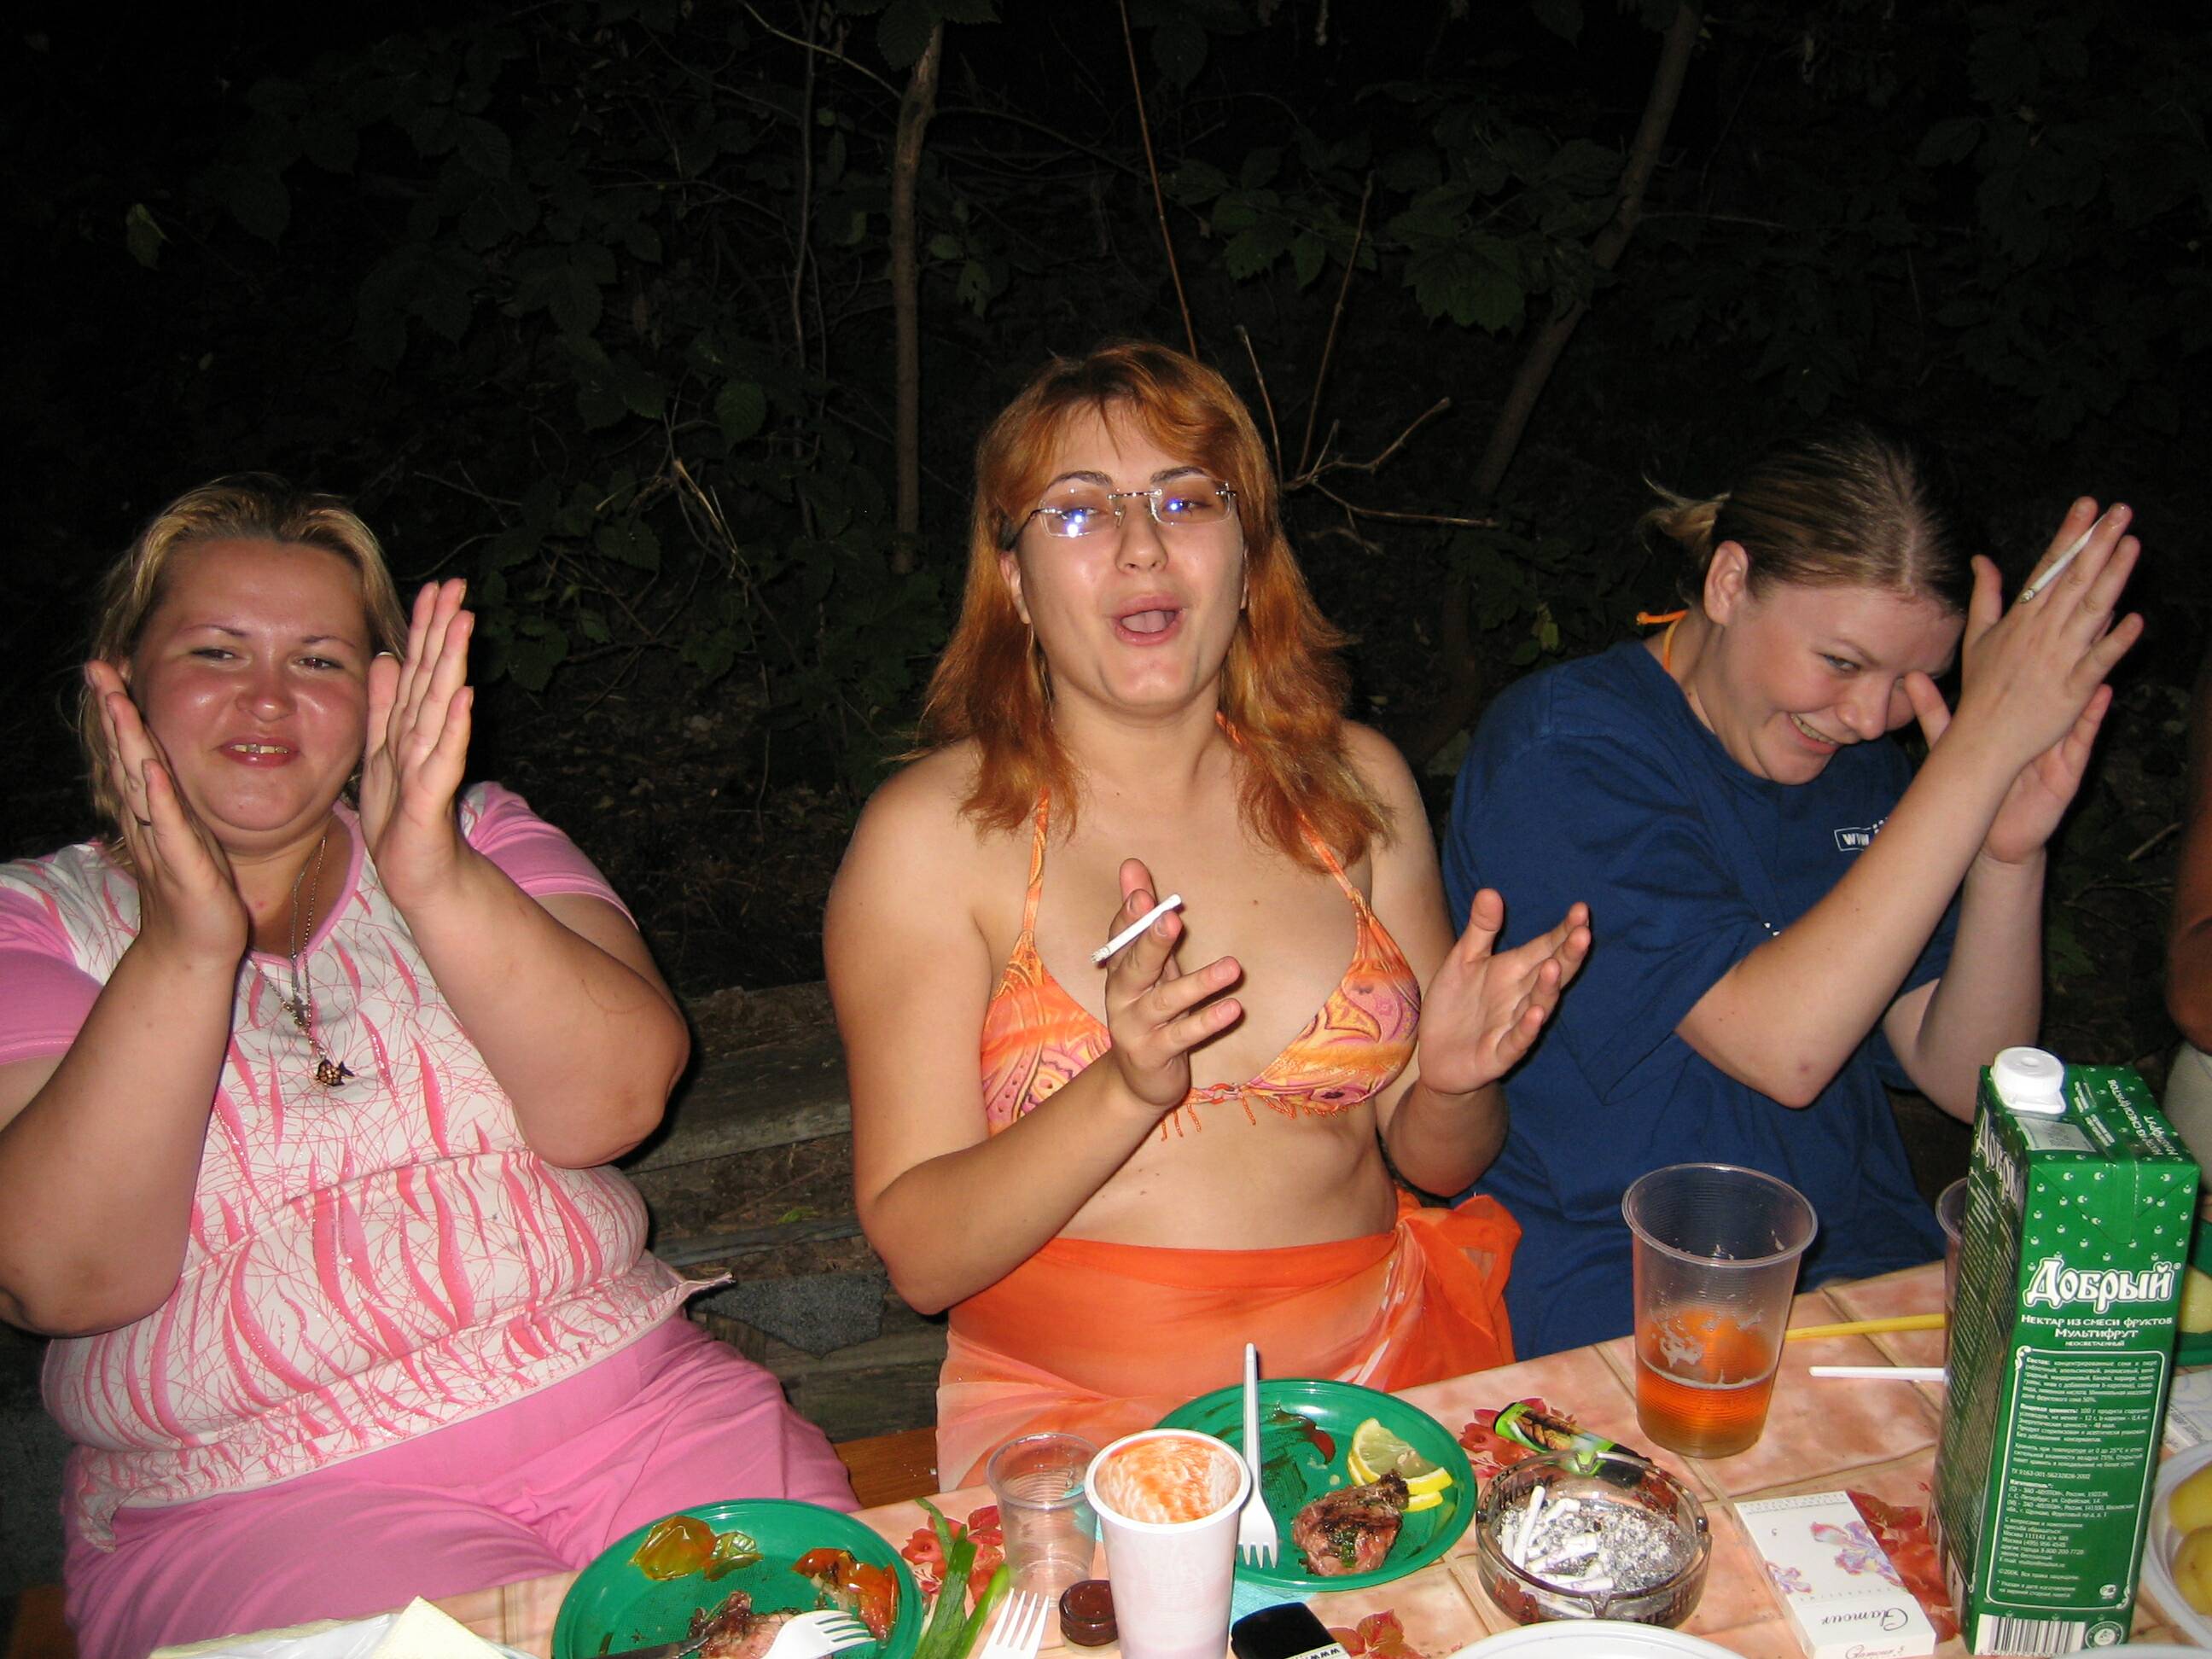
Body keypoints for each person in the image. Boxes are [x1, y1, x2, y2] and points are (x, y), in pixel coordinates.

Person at [0, 479, 853, 1657]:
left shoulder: (479, 834)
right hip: (261, 1505)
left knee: (820, 1632)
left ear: (380, 695)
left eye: (318, 660)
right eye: (216, 650)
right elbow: (63, 1278)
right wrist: (185, 950)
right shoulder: (34, 922)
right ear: (125, 681)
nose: (267, 697)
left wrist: (431, 873)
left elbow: (614, 1102)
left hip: (638, 1412)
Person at [825, 342, 1591, 1489]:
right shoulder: (932, 838)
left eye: (1186, 500)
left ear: (1246, 564)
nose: (1142, 544)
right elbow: (923, 1260)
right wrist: (1125, 1087)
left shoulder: (1357, 789)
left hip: (1378, 1399)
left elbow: (1437, 1163)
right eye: (1078, 510)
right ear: (1015, 582)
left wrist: (1454, 1080)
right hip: (1079, 1439)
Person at [1441, 421, 2142, 1357]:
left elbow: (1970, 1077)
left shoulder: (1860, 771)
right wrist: (1976, 756)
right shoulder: (1566, 751)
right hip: (1633, 1290)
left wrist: (2006, 856)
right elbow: (1782, 1048)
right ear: (1729, 583)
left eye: (1916, 680)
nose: (1870, 717)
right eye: (1842, 662)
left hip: (1863, 1265)